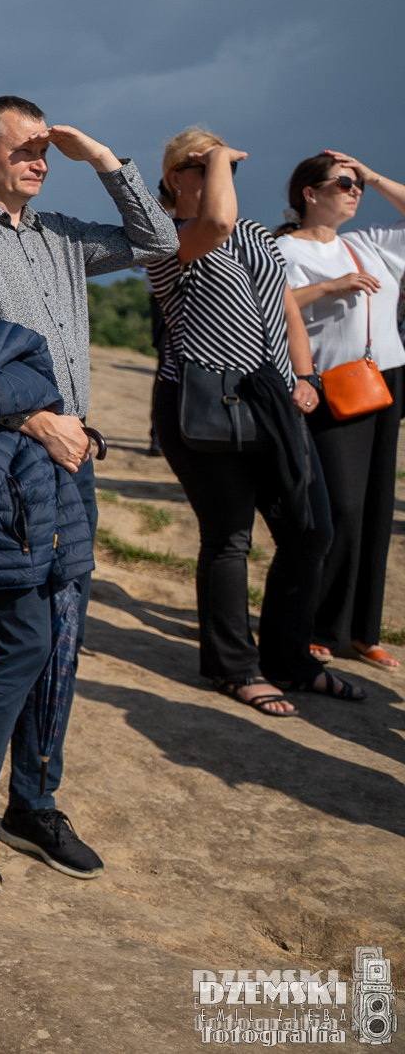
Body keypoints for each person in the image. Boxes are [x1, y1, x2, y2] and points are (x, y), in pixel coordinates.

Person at [0, 96, 176, 894]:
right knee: (21, 644)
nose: (38, 159)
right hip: (6, 459)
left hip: (72, 457)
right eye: (22, 146)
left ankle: (32, 805)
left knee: (61, 643)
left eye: (44, 149)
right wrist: (37, 420)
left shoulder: (59, 233)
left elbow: (160, 241)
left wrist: (105, 160)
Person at [145, 131, 349, 716]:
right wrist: (219, 160)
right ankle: (234, 668)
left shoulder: (257, 234)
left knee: (311, 529)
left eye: (224, 164)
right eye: (203, 164)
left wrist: (305, 377)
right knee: (229, 537)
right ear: (176, 177)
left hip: (272, 399)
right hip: (205, 401)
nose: (219, 172)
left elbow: (286, 309)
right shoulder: (166, 236)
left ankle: (290, 659)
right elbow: (215, 223)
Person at [277, 150, 405, 672]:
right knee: (342, 508)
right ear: (311, 193)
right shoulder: (285, 247)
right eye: (344, 184)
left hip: (386, 379)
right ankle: (314, 625)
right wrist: (331, 287)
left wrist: (371, 175)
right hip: (331, 383)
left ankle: (360, 632)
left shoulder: (366, 243)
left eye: (358, 186)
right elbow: (274, 304)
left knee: (376, 509)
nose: (355, 192)